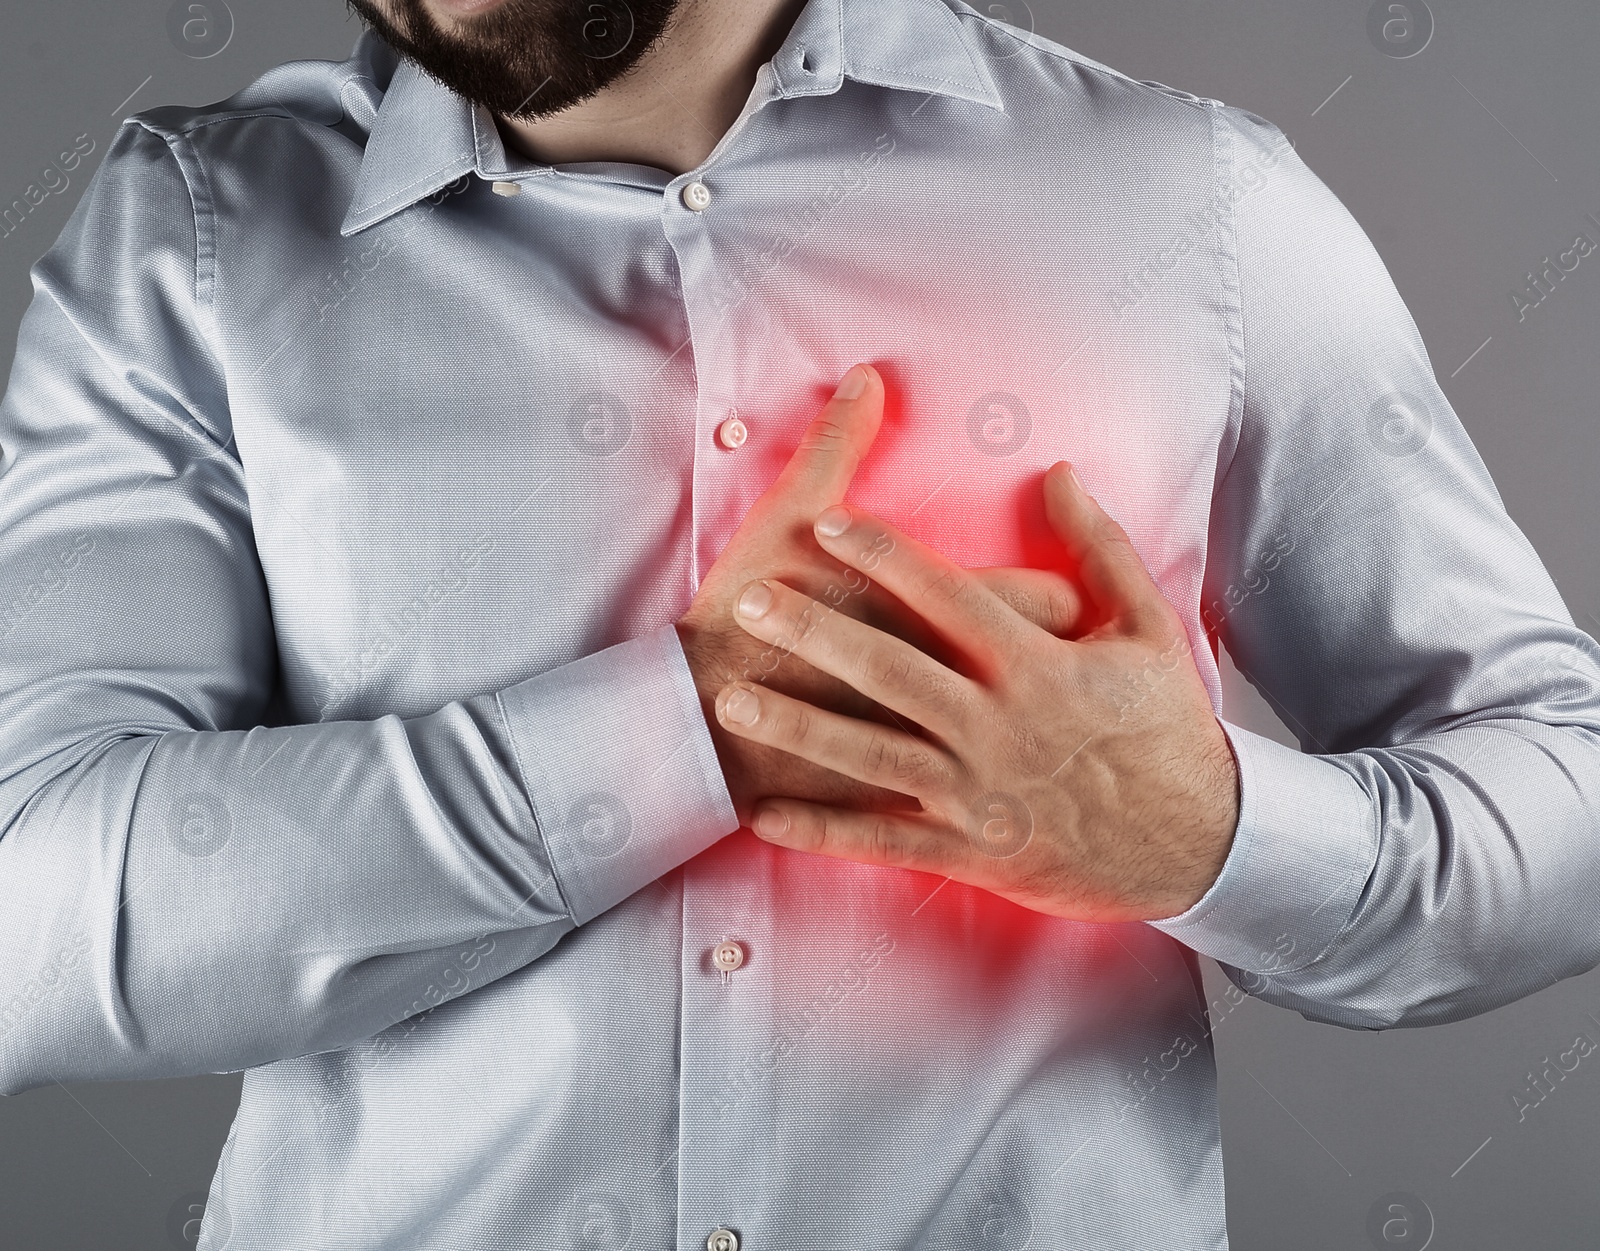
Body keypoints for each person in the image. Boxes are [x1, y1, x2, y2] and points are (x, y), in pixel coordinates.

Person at [1, 0, 1597, 1246]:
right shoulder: (192, 244)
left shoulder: (1200, 207)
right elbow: (36, 924)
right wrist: (690, 725)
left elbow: (1569, 791)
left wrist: (1208, 834)